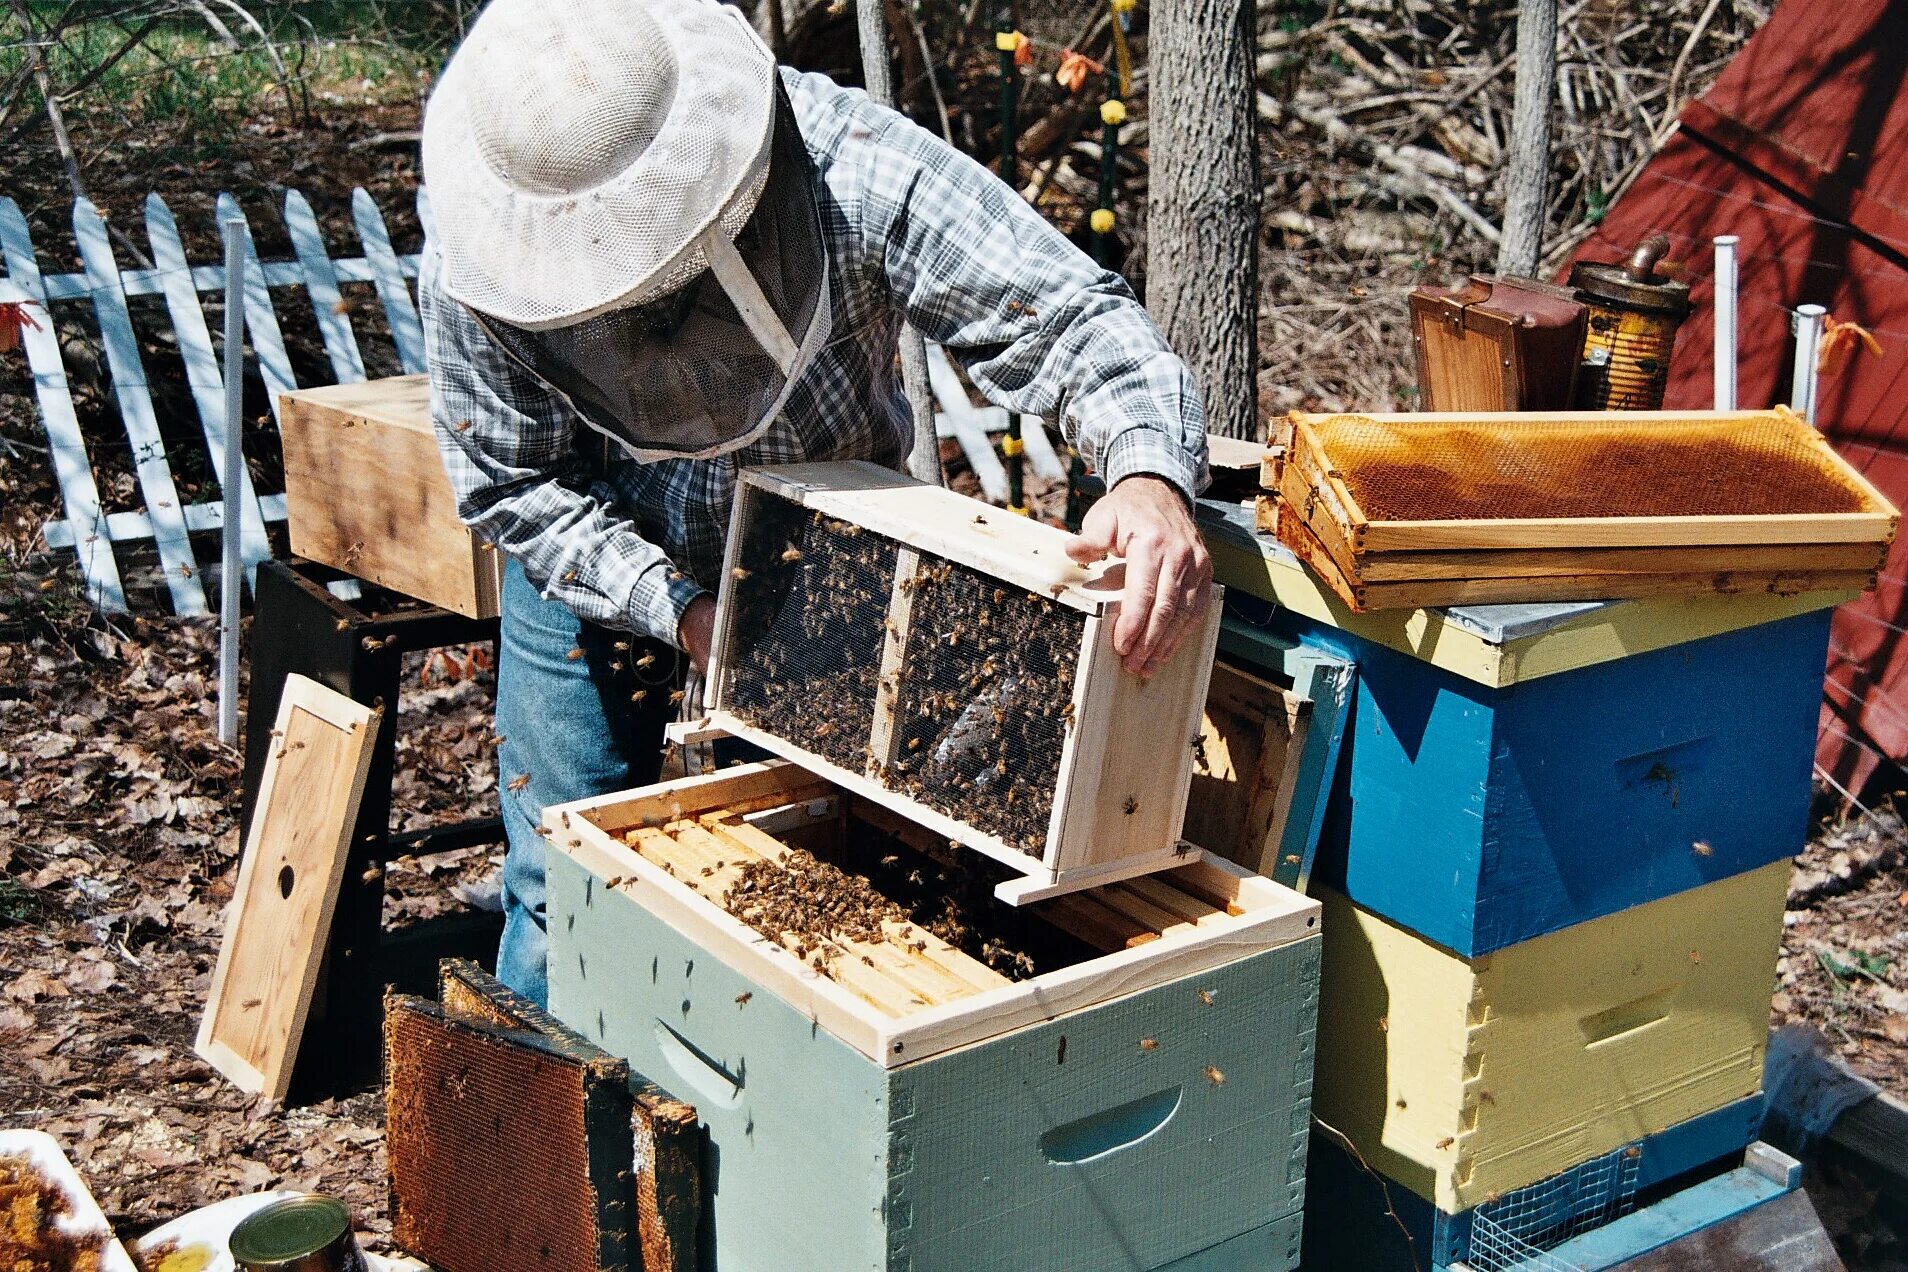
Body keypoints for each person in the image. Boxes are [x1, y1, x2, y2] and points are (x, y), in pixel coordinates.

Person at [419, 0, 1214, 1005]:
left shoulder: (855, 168)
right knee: (558, 888)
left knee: (822, 889)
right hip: (599, 567)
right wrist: (681, 608)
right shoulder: (483, 264)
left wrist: (1146, 476)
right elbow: (513, 483)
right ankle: (541, 1158)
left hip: (829, 570)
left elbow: (1069, 321)